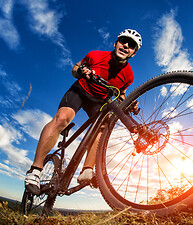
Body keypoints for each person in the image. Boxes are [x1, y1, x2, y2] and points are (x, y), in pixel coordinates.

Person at [25, 29, 142, 195]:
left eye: (131, 46)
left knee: (102, 127)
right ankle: (35, 170)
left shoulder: (129, 75)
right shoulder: (95, 55)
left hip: (99, 101)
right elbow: (75, 68)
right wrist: (80, 71)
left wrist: (129, 103)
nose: (126, 46)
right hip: (80, 90)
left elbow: (121, 93)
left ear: (134, 53)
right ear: (115, 43)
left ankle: (87, 170)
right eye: (124, 41)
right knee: (62, 119)